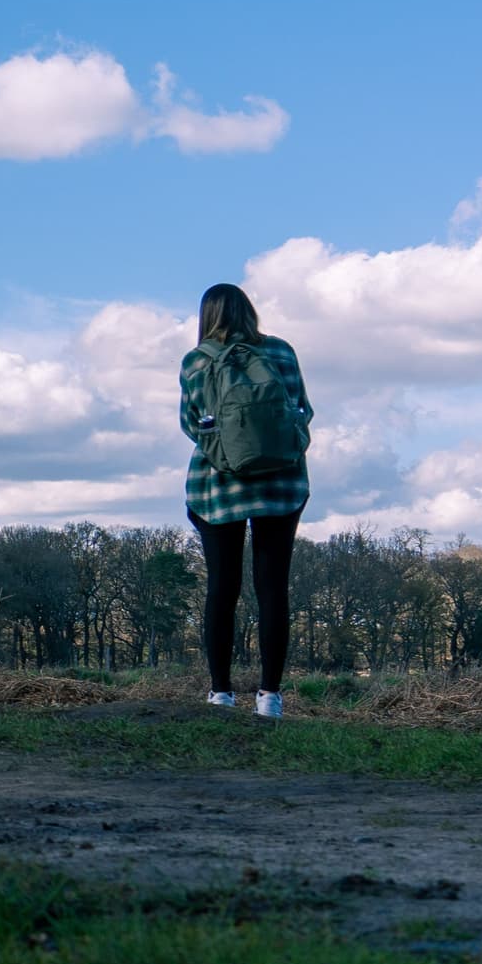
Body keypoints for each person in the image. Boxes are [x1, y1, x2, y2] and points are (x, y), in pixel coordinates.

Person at [177, 282, 311, 719]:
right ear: (249, 311)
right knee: (272, 589)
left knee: (222, 588)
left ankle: (221, 693)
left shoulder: (197, 361)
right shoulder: (281, 352)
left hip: (218, 487)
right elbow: (303, 410)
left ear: (207, 316)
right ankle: (269, 697)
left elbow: (191, 423)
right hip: (281, 486)